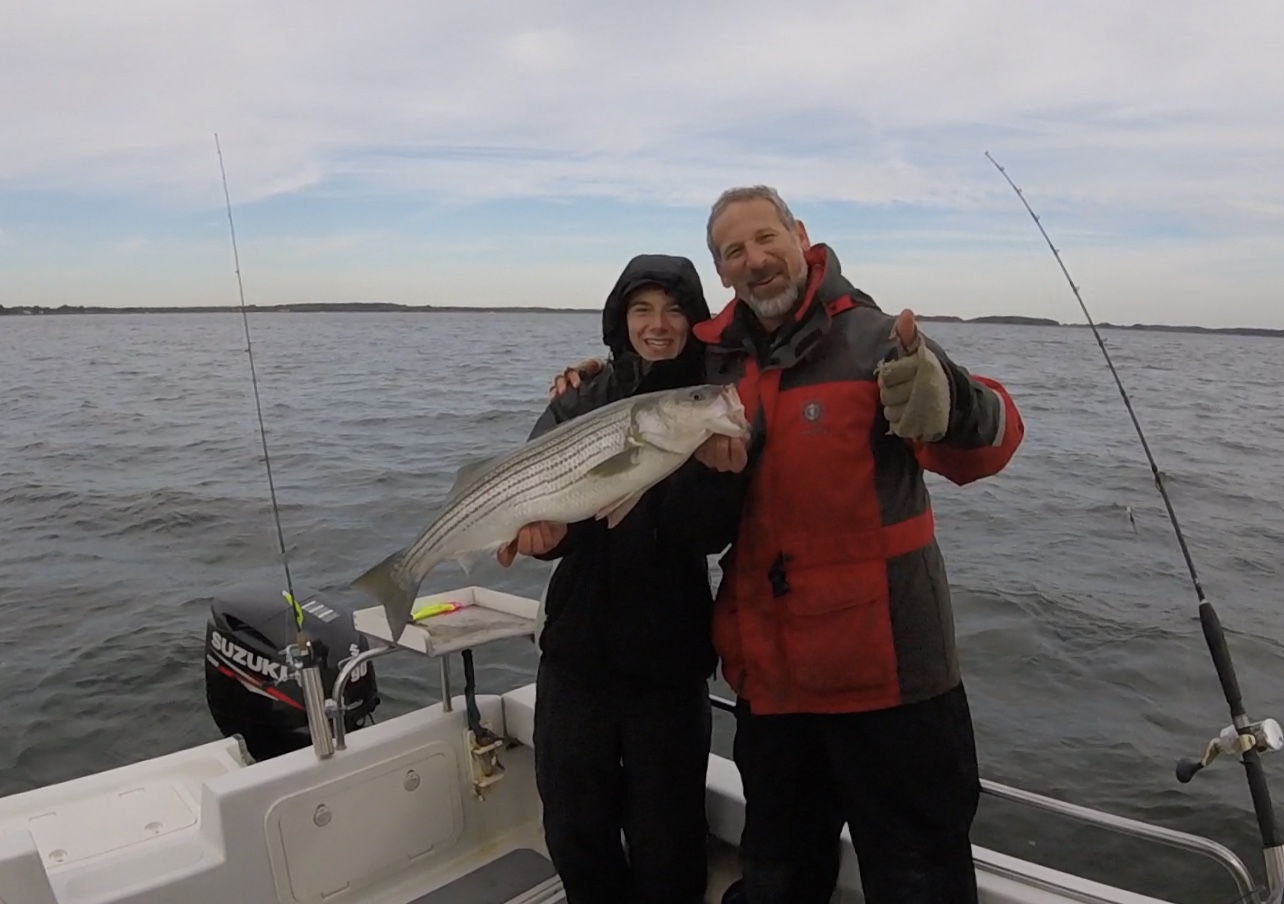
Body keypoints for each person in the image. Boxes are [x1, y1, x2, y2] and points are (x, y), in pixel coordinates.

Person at [550, 186, 1025, 904]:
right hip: (773, 689)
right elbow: (650, 390)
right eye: (734, 251)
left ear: (800, 236)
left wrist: (950, 398)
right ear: (722, 272)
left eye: (766, 239)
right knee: (777, 880)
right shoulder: (715, 366)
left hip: (892, 680)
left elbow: (990, 446)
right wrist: (593, 375)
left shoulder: (875, 339)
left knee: (920, 880)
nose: (756, 259)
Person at [497, 253, 725, 904]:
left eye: (675, 309)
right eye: (642, 309)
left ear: (694, 320)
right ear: (620, 318)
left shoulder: (710, 398)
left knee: (670, 835)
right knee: (574, 826)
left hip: (670, 659)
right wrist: (543, 539)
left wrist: (708, 468)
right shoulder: (582, 395)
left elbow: (712, 531)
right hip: (578, 653)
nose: (659, 324)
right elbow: (539, 507)